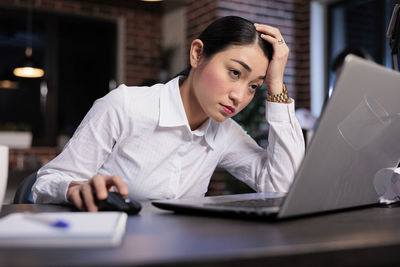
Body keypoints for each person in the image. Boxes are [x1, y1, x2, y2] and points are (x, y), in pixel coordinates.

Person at [32, 16, 305, 211]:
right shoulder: (125, 106)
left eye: (254, 86)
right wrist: (74, 189)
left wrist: (276, 86)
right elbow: (46, 183)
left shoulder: (225, 132)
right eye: (235, 72)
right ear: (197, 54)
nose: (240, 96)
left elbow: (282, 186)